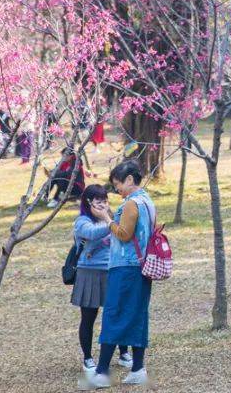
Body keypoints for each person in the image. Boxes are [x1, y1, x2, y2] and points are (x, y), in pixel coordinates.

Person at [79, 160, 157, 389]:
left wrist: (106, 219)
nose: (117, 190)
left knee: (113, 314)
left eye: (118, 184)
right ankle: (138, 369)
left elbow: (123, 234)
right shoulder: (147, 201)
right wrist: (111, 217)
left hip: (125, 268)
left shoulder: (132, 203)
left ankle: (102, 373)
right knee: (137, 315)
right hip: (141, 268)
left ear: (130, 180)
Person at [71, 185, 130, 375]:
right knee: (88, 318)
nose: (103, 205)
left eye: (105, 201)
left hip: (111, 271)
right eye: (98, 201)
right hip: (88, 273)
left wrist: (112, 220)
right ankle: (88, 358)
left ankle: (123, 352)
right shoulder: (82, 222)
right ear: (88, 203)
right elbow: (93, 233)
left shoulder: (111, 218)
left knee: (117, 314)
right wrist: (110, 220)